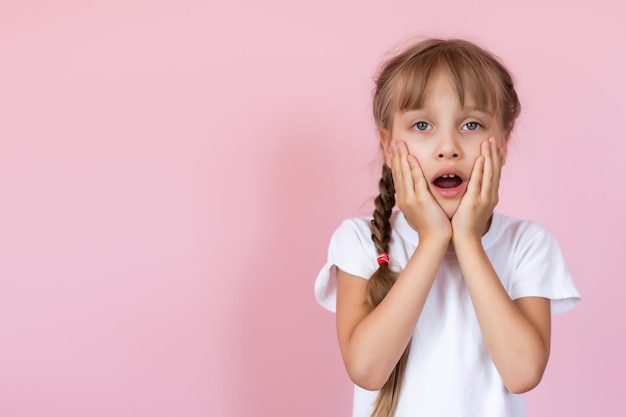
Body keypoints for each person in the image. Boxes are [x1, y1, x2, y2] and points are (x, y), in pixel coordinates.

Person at [314, 38, 581, 417]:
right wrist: (433, 240)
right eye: (422, 125)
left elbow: (522, 372)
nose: (448, 147)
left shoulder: (528, 244)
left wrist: (468, 240)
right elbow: (367, 370)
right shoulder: (357, 242)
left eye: (471, 124)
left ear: (503, 140)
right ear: (389, 145)